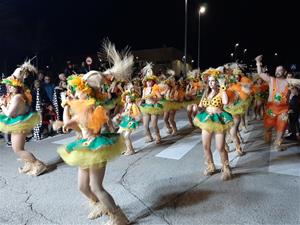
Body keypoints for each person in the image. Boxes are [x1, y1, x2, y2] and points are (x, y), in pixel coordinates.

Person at [0, 61, 47, 176]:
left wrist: (1, 105)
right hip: (18, 122)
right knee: (18, 147)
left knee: (18, 149)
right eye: (8, 85)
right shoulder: (15, 96)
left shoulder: (17, 97)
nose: (8, 87)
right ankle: (29, 164)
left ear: (17, 86)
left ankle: (38, 164)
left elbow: (10, 114)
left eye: (10, 85)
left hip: (20, 123)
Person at [194, 68, 233, 180]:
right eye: (210, 81)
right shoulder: (206, 92)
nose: (211, 83)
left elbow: (225, 102)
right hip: (206, 119)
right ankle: (211, 166)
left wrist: (223, 86)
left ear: (218, 81)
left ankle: (226, 168)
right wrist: (197, 107)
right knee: (206, 146)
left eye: (214, 81)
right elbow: (201, 106)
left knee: (220, 147)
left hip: (218, 120)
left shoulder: (221, 91)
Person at [255, 55, 291, 150]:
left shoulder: (288, 82)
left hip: (283, 109)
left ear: (285, 72)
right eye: (276, 70)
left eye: (280, 70)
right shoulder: (271, 80)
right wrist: (258, 62)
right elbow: (260, 73)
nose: (277, 72)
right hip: (271, 109)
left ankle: (277, 143)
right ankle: (268, 132)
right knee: (268, 126)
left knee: (282, 125)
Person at [140, 63, 164, 144]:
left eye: (150, 81)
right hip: (146, 107)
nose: (148, 83)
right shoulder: (144, 89)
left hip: (154, 107)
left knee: (154, 124)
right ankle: (149, 137)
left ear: (153, 82)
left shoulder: (155, 88)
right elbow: (143, 98)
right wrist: (141, 100)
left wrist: (154, 98)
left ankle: (158, 136)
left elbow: (160, 97)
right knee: (145, 125)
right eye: (147, 81)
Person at [117, 90, 142, 155]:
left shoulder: (133, 105)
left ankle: (131, 150)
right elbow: (124, 112)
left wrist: (129, 114)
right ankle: (126, 148)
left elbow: (137, 115)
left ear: (132, 98)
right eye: (126, 98)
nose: (128, 99)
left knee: (126, 136)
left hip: (131, 121)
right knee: (120, 134)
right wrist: (121, 115)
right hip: (125, 121)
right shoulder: (126, 104)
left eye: (129, 97)